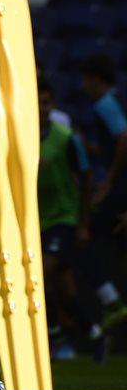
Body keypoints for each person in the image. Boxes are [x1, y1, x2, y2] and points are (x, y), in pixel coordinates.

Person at [37, 77, 112, 361]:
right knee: (63, 289)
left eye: (46, 102)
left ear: (52, 105)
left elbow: (86, 175)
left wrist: (82, 225)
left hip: (63, 218)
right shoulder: (20, 139)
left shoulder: (66, 137)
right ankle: (96, 335)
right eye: (37, 103)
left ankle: (55, 335)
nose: (42, 107)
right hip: (36, 221)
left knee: (41, 273)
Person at [74, 55, 127, 331]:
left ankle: (112, 303)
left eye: (85, 79)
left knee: (79, 239)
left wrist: (108, 181)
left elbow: (124, 140)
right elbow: (112, 147)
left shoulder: (105, 103)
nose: (83, 86)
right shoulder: (118, 100)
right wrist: (88, 147)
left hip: (120, 193)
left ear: (95, 79)